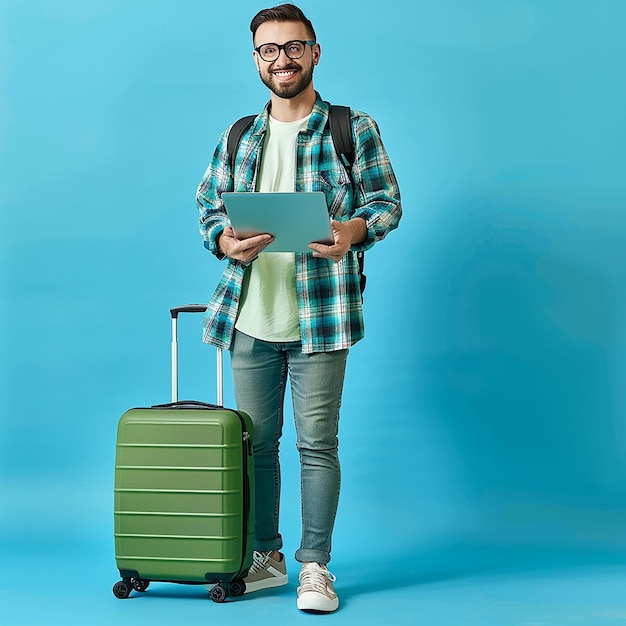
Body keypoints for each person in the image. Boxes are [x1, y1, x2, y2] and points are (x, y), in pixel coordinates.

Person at [196, 3, 401, 613]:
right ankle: (266, 556)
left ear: (314, 51)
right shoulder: (240, 134)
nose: (280, 59)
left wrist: (352, 232)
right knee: (256, 446)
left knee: (317, 445)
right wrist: (223, 239)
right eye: (268, 50)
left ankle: (315, 568)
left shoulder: (351, 127)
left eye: (293, 47)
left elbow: (387, 201)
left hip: (322, 316)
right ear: (256, 58)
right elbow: (209, 206)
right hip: (249, 314)